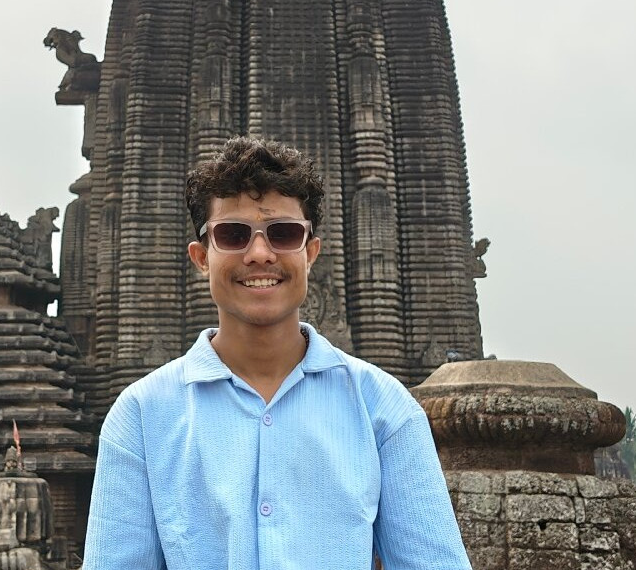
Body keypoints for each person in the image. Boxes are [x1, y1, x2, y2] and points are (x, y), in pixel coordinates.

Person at [82, 137, 471, 570]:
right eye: (233, 234)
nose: (260, 254)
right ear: (201, 257)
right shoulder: (141, 414)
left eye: (283, 234)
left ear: (311, 252)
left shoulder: (383, 407)